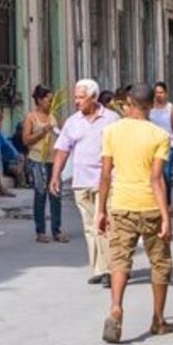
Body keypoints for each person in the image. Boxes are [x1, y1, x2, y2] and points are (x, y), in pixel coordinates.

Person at [96, 83, 173, 344]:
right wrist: (165, 217)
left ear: (129, 103)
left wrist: (100, 211)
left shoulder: (111, 131)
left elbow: (105, 174)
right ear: (152, 104)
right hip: (150, 205)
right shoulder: (159, 136)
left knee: (119, 260)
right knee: (160, 264)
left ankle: (116, 307)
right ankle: (158, 319)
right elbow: (156, 179)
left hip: (120, 205)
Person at [50, 79, 120, 286]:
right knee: (90, 227)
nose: (77, 101)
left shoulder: (112, 119)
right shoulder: (73, 122)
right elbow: (62, 150)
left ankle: (109, 269)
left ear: (94, 97)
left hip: (106, 181)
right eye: (76, 97)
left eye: (81, 97)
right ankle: (98, 268)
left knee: (104, 222)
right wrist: (56, 176)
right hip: (81, 182)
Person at [23, 85, 66, 243]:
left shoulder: (53, 116)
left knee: (56, 194)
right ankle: (40, 231)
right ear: (40, 101)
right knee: (40, 194)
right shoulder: (31, 117)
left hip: (53, 159)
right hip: (37, 159)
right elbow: (26, 140)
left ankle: (57, 230)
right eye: (48, 100)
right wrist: (43, 131)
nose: (50, 102)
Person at [149, 83, 173, 207]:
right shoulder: (149, 108)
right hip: (152, 144)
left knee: (166, 173)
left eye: (161, 92)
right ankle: (156, 203)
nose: (158, 95)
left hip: (169, 143)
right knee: (154, 175)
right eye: (156, 93)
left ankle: (167, 203)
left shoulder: (170, 108)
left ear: (166, 93)